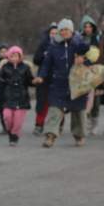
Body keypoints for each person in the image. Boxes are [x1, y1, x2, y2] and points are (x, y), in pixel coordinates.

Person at [34, 19, 89, 148]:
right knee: (55, 109)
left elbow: (91, 56)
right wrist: (41, 76)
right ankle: (50, 136)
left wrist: (84, 59)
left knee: (78, 111)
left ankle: (79, 136)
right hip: (58, 82)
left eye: (67, 30)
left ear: (71, 31)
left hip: (77, 83)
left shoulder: (79, 44)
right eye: (62, 30)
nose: (64, 32)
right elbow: (46, 65)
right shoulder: (53, 46)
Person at [0, 46, 35, 146]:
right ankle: (10, 130)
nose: (14, 58)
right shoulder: (4, 68)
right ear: (8, 57)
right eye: (12, 56)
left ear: (20, 57)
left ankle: (14, 136)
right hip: (7, 98)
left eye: (17, 56)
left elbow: (30, 81)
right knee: (7, 117)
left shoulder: (25, 68)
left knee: (18, 121)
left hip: (21, 98)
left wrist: (35, 82)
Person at [32, 23, 58, 135]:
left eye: (56, 33)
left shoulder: (64, 45)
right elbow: (36, 60)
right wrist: (44, 55)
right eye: (52, 33)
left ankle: (57, 126)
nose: (53, 35)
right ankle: (39, 125)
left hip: (57, 78)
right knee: (42, 102)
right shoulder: (43, 44)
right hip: (43, 78)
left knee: (57, 103)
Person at [80, 15, 101, 134]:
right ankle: (85, 121)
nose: (87, 29)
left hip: (94, 71)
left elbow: (99, 55)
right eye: (85, 26)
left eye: (89, 26)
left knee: (96, 97)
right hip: (81, 71)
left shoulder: (97, 39)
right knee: (83, 97)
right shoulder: (79, 38)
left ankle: (94, 121)